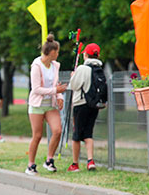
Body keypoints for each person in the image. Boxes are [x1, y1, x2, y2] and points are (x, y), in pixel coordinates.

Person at [26, 34, 66, 175]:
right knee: (37, 135)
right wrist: (56, 90)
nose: (58, 54)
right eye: (57, 51)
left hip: (51, 104)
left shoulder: (55, 66)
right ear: (52, 52)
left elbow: (56, 85)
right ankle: (30, 164)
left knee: (57, 130)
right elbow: (36, 89)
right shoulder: (36, 66)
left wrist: (59, 95)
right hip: (37, 105)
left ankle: (49, 159)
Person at [66, 43, 103, 172]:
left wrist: (73, 77)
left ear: (86, 54)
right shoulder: (99, 68)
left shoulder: (82, 68)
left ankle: (75, 164)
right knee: (88, 133)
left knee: (77, 134)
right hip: (94, 105)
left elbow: (74, 86)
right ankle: (90, 161)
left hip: (80, 104)